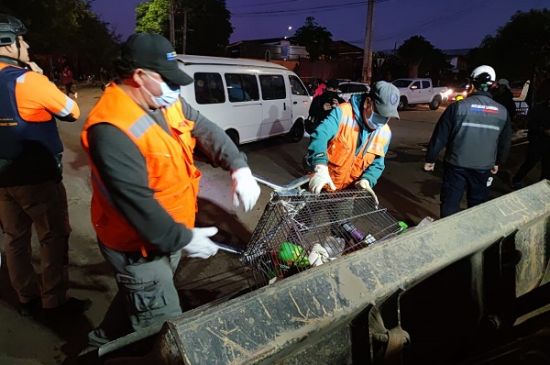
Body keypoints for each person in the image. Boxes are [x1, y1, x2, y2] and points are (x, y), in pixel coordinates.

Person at [81, 33, 261, 346]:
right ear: (139, 76)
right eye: (168, 81)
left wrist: (238, 166)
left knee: (138, 294)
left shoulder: (163, 102)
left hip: (171, 233)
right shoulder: (110, 129)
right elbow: (136, 206)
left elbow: (204, 127)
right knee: (163, 330)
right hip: (139, 247)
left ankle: (101, 343)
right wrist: (184, 238)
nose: (175, 91)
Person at [0, 14, 89, 316]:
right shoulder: (29, 81)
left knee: (15, 239)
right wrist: (41, 77)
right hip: (36, 177)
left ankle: (25, 295)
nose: (26, 45)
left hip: (2, 180)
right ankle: (54, 300)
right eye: (21, 40)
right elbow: (72, 111)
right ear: (8, 44)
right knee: (52, 237)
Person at [424, 65, 512, 218]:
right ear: (492, 85)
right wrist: (498, 162)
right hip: (484, 167)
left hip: (456, 165)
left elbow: (440, 136)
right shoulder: (502, 112)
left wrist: (430, 159)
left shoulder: (457, 107)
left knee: (450, 202)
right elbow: (505, 142)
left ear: (471, 84)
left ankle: (448, 234)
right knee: (477, 204)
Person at [307, 81, 400, 206]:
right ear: (367, 103)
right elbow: (320, 135)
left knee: (341, 224)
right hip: (323, 182)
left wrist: (368, 179)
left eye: (386, 117)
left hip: (346, 194)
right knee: (302, 220)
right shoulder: (343, 112)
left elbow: (378, 163)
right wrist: (320, 167)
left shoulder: (385, 133)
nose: (381, 121)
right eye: (379, 114)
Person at [511, 78, 550, 187]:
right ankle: (516, 180)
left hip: (548, 145)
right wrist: (544, 130)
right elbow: (531, 124)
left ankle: (542, 187)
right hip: (537, 142)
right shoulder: (539, 108)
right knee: (529, 163)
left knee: (547, 168)